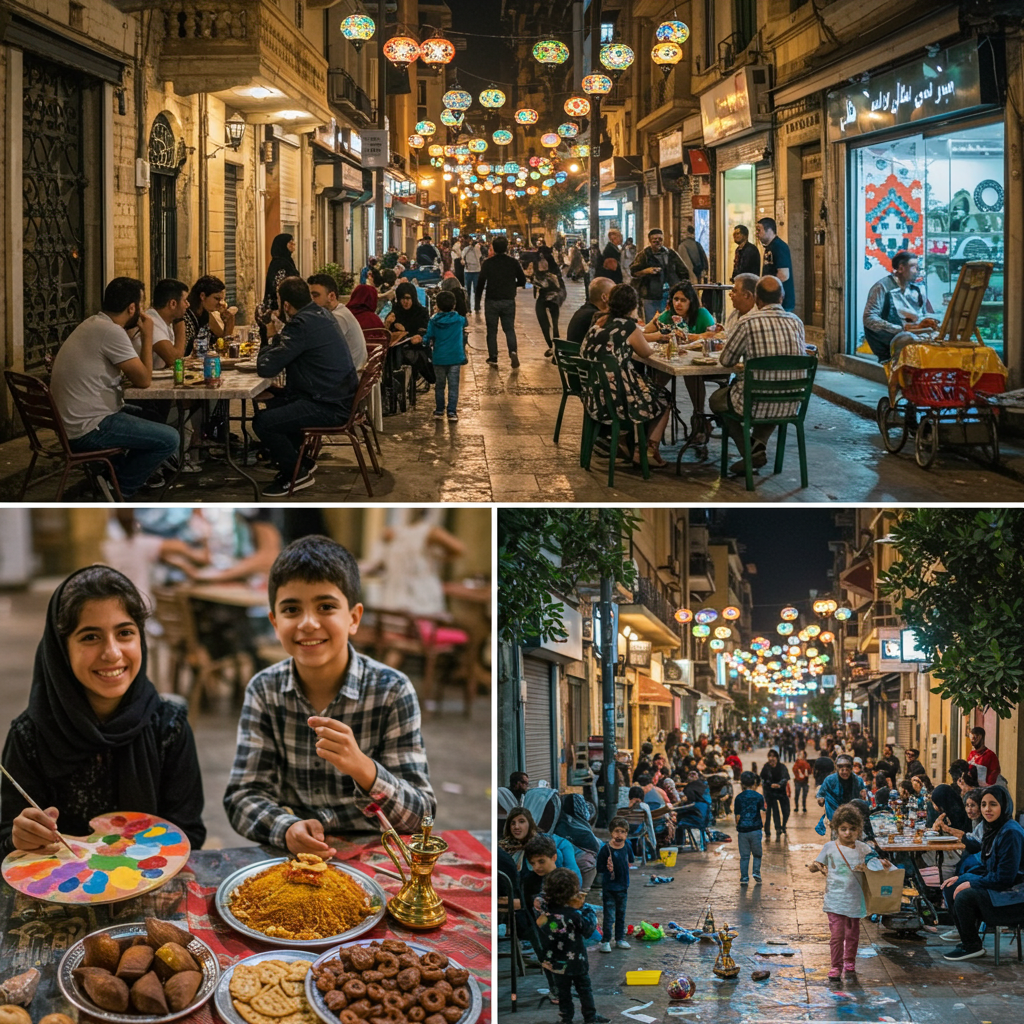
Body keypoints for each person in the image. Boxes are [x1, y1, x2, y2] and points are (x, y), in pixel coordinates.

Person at [223, 535, 435, 851]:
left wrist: (363, 769)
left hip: (376, 852)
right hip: (295, 853)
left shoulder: (392, 690)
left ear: (353, 618)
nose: (308, 623)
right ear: (275, 621)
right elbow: (243, 796)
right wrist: (287, 828)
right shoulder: (264, 690)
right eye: (292, 609)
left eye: (326, 607)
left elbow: (422, 817)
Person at [0, 565, 205, 855]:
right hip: (62, 893)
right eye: (90, 637)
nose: (112, 653)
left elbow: (190, 832)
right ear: (61, 649)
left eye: (124, 633)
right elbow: (6, 839)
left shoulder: (168, 727)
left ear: (141, 638)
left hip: (148, 887)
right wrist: (18, 838)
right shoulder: (30, 735)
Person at [49, 277, 180, 499]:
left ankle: (113, 474)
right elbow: (144, 380)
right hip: (88, 428)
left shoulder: (94, 323)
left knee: (149, 415)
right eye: (141, 305)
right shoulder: (111, 332)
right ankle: (119, 489)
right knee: (170, 438)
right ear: (132, 308)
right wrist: (147, 335)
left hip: (72, 422)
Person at [253, 277, 359, 496]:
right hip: (336, 397)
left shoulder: (301, 324)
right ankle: (301, 461)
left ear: (286, 305)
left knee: (263, 422)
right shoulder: (321, 314)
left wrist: (270, 336)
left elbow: (266, 367)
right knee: (275, 402)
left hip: (328, 406)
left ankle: (295, 474)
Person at [709, 275, 808, 475]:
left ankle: (749, 452)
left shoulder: (747, 322)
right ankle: (758, 445)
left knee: (717, 400)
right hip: (792, 403)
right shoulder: (797, 322)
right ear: (782, 297)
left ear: (757, 299)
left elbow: (726, 361)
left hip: (754, 402)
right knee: (773, 395)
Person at [581, 283, 673, 468]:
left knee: (647, 387)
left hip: (593, 395)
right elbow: (646, 352)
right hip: (616, 400)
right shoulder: (627, 326)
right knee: (664, 397)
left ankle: (628, 446)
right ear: (633, 305)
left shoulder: (598, 321)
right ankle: (647, 451)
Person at [809, 803, 893, 978]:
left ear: (859, 830)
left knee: (853, 936)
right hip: (834, 900)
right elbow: (814, 865)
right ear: (836, 829)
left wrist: (882, 864)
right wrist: (815, 866)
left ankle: (850, 961)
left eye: (852, 829)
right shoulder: (830, 847)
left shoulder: (863, 849)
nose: (848, 833)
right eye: (843, 829)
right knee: (837, 936)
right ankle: (836, 966)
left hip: (855, 900)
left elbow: (875, 864)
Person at [940, 786, 1024, 961]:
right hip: (1000, 884)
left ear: (1004, 805)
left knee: (964, 896)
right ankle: (965, 938)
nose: (987, 809)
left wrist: (972, 883)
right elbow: (989, 867)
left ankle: (972, 946)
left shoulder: (1011, 832)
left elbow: (1005, 877)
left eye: (993, 804)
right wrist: (963, 878)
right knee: (951, 886)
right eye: (984, 804)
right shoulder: (992, 828)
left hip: (1015, 895)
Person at [536, 868, 610, 1024]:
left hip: (555, 962)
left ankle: (566, 1019)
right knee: (584, 990)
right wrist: (585, 907)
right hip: (576, 961)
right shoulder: (575, 915)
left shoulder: (547, 915)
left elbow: (540, 925)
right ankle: (590, 1018)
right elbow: (589, 930)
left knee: (563, 993)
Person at [862, 251, 938, 363]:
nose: (917, 271)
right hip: (892, 338)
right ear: (901, 268)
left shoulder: (917, 289)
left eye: (918, 267)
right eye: (913, 267)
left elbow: (923, 314)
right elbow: (869, 318)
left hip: (914, 333)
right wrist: (899, 329)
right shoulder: (882, 287)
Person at [477, 235, 527, 368]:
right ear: (507, 247)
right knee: (509, 329)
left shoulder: (488, 263)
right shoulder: (513, 262)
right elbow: (523, 281)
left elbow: (481, 283)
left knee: (492, 331)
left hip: (492, 300)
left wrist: (476, 302)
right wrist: (511, 285)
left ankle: (493, 357)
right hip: (508, 299)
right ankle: (513, 351)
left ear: (493, 247)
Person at [499, 806, 581, 880]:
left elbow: (572, 873)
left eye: (521, 821)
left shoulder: (543, 845)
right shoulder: (505, 846)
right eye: (513, 823)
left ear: (530, 824)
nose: (516, 827)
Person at [307, 274, 367, 372]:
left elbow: (319, 348)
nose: (311, 301)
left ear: (331, 296)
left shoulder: (338, 317)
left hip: (347, 379)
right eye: (310, 296)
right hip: (346, 373)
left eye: (315, 295)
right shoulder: (339, 311)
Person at [629, 228, 689, 322]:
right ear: (650, 240)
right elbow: (633, 271)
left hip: (669, 293)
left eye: (660, 239)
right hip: (650, 295)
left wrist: (682, 287)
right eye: (654, 240)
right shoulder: (644, 255)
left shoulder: (670, 253)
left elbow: (683, 271)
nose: (657, 242)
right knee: (651, 321)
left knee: (669, 321)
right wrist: (646, 271)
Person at [425, 290, 467, 422]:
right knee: (453, 385)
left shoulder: (433, 321)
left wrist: (422, 340)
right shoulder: (460, 320)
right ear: (454, 305)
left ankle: (439, 410)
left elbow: (428, 337)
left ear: (437, 305)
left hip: (439, 358)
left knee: (440, 385)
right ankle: (452, 412)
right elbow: (465, 323)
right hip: (455, 358)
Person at [385, 281, 434, 391]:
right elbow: (386, 333)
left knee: (402, 352)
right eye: (402, 299)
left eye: (408, 298)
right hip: (396, 348)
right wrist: (388, 323)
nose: (405, 302)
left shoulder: (421, 312)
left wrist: (408, 332)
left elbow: (425, 331)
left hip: (415, 348)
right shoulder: (395, 311)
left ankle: (399, 377)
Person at [596, 816, 634, 952]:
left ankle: (620, 939)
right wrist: (608, 867)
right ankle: (606, 940)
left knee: (620, 915)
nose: (620, 835)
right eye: (617, 831)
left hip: (623, 887)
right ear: (611, 833)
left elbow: (630, 860)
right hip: (609, 888)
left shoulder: (628, 845)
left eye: (623, 832)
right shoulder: (605, 849)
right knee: (609, 916)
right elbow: (599, 868)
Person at [144, 278, 190, 370]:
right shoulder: (152, 321)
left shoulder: (164, 321)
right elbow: (175, 361)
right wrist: (181, 327)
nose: (188, 305)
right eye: (185, 300)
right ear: (173, 304)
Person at [815, 754, 866, 835]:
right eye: (841, 767)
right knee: (837, 842)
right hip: (836, 817)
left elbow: (864, 795)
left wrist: (863, 793)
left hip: (853, 816)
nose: (844, 771)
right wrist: (820, 799)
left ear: (851, 767)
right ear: (836, 768)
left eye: (847, 767)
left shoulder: (858, 781)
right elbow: (821, 793)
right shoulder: (830, 780)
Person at [184, 274, 236, 352]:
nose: (221, 303)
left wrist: (229, 322)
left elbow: (222, 344)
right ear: (203, 296)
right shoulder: (186, 317)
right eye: (217, 299)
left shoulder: (206, 315)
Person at [734, 771, 766, 885]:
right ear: (754, 784)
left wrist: (738, 826)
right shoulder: (759, 797)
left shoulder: (738, 798)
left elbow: (737, 816)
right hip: (755, 830)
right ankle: (756, 872)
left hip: (743, 831)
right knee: (757, 853)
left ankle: (744, 878)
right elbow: (763, 813)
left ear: (742, 784)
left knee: (744, 856)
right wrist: (761, 826)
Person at [756, 218, 795, 311]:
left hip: (781, 303)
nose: (757, 233)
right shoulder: (769, 247)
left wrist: (769, 289)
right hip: (771, 301)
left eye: (759, 230)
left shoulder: (779, 246)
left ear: (769, 230)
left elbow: (783, 274)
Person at [532, 258, 565, 357]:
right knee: (555, 325)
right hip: (554, 301)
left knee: (545, 326)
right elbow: (561, 289)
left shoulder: (538, 276)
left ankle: (552, 347)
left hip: (543, 301)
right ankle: (555, 348)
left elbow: (536, 290)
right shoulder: (555, 276)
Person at [566, 277, 614, 344]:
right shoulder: (595, 316)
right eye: (613, 294)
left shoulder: (582, 311)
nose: (616, 297)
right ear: (604, 297)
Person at [263, 233, 300, 311]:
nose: (293, 244)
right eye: (290, 242)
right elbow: (278, 286)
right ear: (282, 245)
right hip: (281, 307)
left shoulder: (288, 261)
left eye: (293, 241)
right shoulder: (279, 264)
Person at [760, 748, 790, 838]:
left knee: (786, 811)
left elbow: (786, 777)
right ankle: (771, 830)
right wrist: (770, 784)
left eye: (773, 756)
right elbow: (763, 778)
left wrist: (779, 784)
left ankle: (783, 826)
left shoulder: (782, 767)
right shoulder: (766, 767)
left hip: (781, 792)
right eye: (770, 756)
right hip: (770, 792)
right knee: (771, 811)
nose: (771, 758)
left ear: (777, 758)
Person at [462, 237, 482, 312]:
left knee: (474, 289)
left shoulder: (476, 249)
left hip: (474, 271)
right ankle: (469, 306)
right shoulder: (466, 249)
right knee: (468, 290)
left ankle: (476, 306)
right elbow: (462, 258)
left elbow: (479, 257)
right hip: (469, 271)